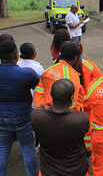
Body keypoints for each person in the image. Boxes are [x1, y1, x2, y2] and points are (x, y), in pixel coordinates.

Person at [31, 79, 90, 176]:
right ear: (72, 97)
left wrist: (47, 108)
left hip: (48, 171)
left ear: (51, 95)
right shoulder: (81, 119)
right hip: (77, 170)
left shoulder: (37, 116)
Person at [0, 40, 39, 176]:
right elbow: (39, 86)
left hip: (1, 119)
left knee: (2, 149)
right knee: (28, 149)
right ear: (17, 55)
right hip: (23, 119)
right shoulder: (27, 73)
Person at [34, 41, 83, 111]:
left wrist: (44, 109)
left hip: (46, 113)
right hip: (62, 117)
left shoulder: (48, 71)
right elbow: (72, 106)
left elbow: (38, 93)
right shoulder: (73, 78)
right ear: (76, 58)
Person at [17, 43, 44, 108]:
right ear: (34, 54)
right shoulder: (38, 68)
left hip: (19, 100)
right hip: (33, 102)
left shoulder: (17, 64)